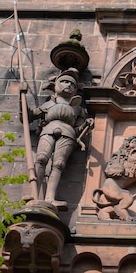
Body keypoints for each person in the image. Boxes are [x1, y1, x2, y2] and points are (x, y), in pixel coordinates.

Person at [24, 68, 92, 207]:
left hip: (68, 133)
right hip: (48, 129)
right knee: (41, 158)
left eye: (72, 84)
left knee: (58, 164)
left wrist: (86, 124)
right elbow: (28, 116)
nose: (68, 85)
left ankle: (50, 198)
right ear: (55, 85)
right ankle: (34, 194)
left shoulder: (78, 108)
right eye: (64, 81)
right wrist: (22, 99)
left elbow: (78, 130)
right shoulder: (49, 104)